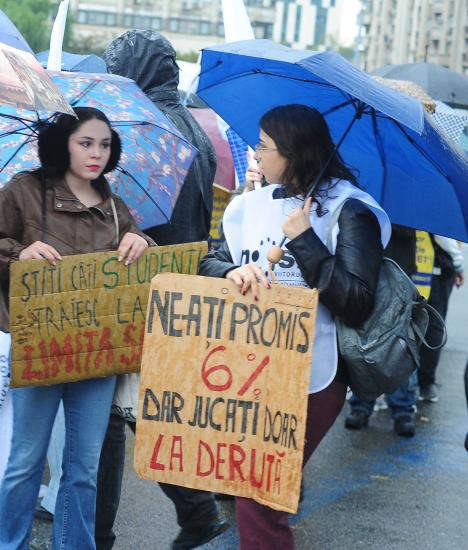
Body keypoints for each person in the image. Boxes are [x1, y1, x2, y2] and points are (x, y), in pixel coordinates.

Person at [199, 104, 391, 549]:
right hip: (248, 369)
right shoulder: (249, 204)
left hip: (314, 375)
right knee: (256, 489)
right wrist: (232, 271)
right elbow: (211, 260)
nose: (256, 155)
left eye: (264, 146)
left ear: (293, 150)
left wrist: (305, 239)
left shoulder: (350, 210)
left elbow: (356, 301)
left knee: (259, 492)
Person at [0, 106, 151, 549]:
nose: (96, 154)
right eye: (85, 143)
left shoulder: (114, 207)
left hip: (98, 353)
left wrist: (142, 241)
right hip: (39, 347)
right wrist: (18, 253)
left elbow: (142, 265)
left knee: (84, 469)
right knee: (25, 462)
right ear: (62, 144)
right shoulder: (25, 191)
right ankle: (3, 544)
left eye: (105, 145)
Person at [98, 29, 227, 550]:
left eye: (116, 69)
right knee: (148, 411)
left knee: (112, 417)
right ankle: (198, 513)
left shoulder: (142, 127)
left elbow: (129, 213)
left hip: (139, 285)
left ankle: (100, 533)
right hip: (179, 284)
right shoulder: (192, 126)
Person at [344, 225, 419, 436]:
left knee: (400, 343)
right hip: (366, 268)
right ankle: (361, 404)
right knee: (362, 341)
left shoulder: (409, 205)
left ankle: (402, 409)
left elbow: (407, 230)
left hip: (400, 270)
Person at [418, 235, 464, 402]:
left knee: (406, 325)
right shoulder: (439, 215)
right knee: (434, 327)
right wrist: (458, 265)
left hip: (409, 265)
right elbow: (444, 237)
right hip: (436, 270)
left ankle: (401, 386)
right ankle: (426, 384)